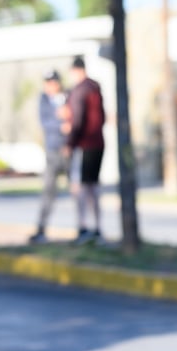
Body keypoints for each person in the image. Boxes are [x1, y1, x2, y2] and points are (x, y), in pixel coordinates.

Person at [65, 56, 106, 244]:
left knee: (79, 187)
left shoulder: (80, 90)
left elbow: (78, 120)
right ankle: (98, 227)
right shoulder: (95, 87)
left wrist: (70, 143)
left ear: (76, 70)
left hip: (84, 144)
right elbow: (103, 116)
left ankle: (83, 227)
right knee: (93, 186)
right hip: (98, 143)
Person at [28, 69, 70, 244]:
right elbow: (45, 123)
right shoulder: (43, 100)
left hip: (69, 149)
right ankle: (41, 228)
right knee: (48, 191)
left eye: (53, 82)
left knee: (79, 190)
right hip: (52, 151)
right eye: (47, 82)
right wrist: (61, 122)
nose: (50, 86)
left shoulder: (68, 96)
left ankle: (86, 229)